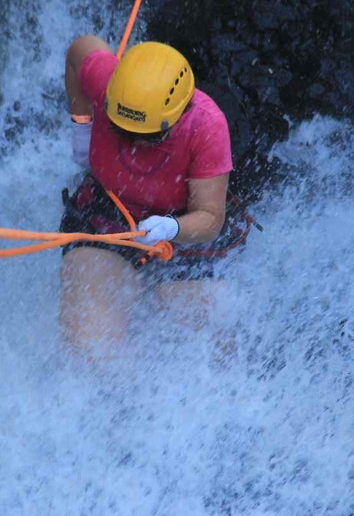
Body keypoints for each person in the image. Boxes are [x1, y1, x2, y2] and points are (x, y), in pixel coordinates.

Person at [59, 35, 234, 357]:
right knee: (92, 349)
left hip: (184, 224)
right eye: (122, 130)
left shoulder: (207, 126)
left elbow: (210, 218)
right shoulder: (106, 82)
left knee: (208, 348)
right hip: (109, 207)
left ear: (177, 118)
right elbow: (79, 50)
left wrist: (172, 229)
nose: (135, 144)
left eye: (150, 136)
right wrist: (81, 125)